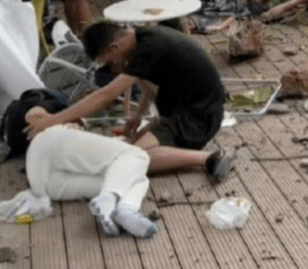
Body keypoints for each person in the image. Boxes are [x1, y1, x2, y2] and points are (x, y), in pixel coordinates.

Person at [25, 21, 235, 182]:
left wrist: (54, 120)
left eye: (109, 62)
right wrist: (136, 116)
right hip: (188, 108)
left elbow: (105, 95)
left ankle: (210, 158)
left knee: (136, 158)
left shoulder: (148, 48)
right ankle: (183, 151)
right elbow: (148, 85)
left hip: (199, 118)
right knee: (134, 144)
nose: (114, 66)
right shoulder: (143, 36)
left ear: (114, 47)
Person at [24, 109, 157, 239]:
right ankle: (108, 199)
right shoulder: (54, 102)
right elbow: (33, 111)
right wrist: (56, 118)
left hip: (42, 184)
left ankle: (126, 210)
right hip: (50, 140)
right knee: (138, 155)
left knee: (135, 179)